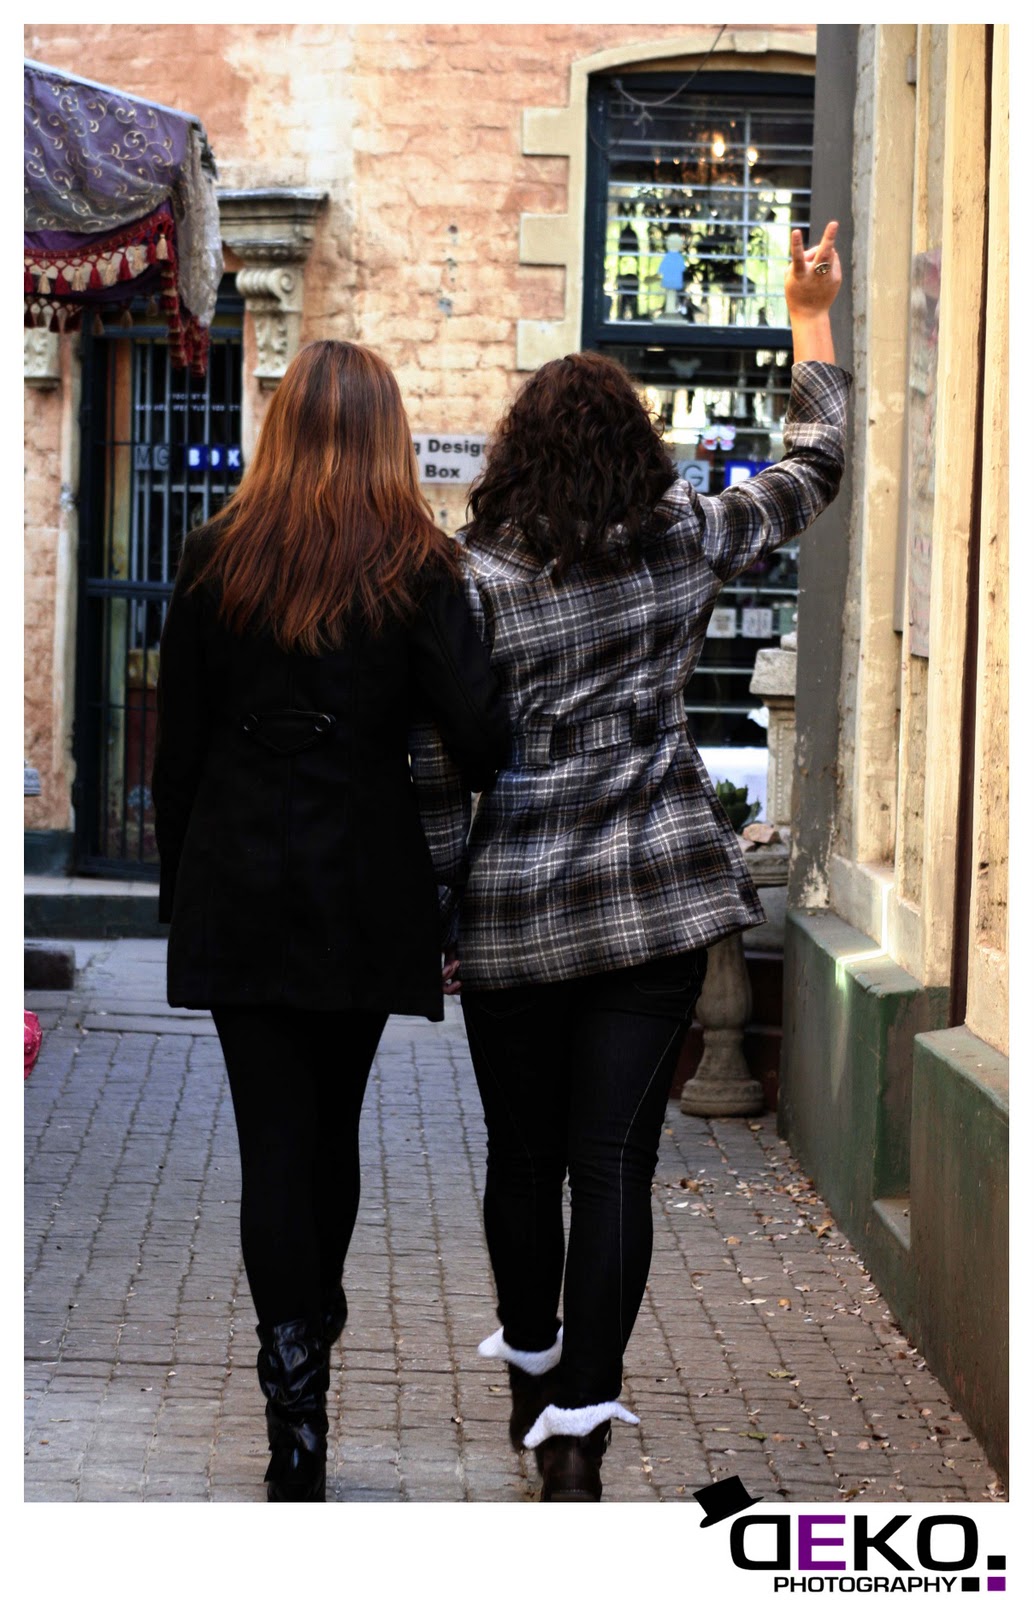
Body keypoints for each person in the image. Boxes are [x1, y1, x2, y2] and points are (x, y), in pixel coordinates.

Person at [412, 221, 850, 1501]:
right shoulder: (688, 536)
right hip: (656, 896)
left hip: (512, 909)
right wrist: (807, 317)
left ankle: (532, 1368)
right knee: (611, 1163)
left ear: (516, 452)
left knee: (521, 1158)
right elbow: (813, 464)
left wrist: (437, 907)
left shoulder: (470, 581)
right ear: (637, 449)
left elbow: (434, 765)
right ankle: (579, 1431)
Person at [151, 339, 510, 1502]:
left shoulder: (213, 553)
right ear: (386, 435)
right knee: (331, 1131)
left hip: (238, 876)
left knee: (272, 1142)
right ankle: (312, 1322)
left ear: (282, 428)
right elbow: (482, 739)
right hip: (361, 879)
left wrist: (181, 892)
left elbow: (176, 751)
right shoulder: (419, 564)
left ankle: (293, 1409)